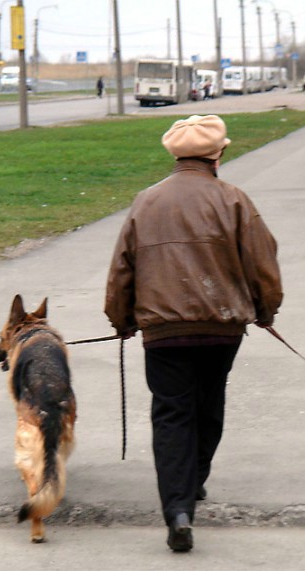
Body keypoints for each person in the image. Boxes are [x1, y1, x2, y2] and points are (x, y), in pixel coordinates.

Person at [105, 114, 283, 553]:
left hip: (163, 331)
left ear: (175, 155)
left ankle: (179, 509)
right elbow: (263, 264)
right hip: (222, 327)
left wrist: (121, 319)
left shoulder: (145, 201)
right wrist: (265, 311)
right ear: (218, 154)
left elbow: (122, 267)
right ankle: (195, 479)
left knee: (171, 414)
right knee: (208, 404)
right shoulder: (234, 200)